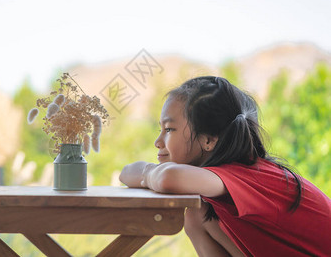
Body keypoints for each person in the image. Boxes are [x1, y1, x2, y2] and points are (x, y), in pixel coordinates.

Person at [119, 76, 331, 257]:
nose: (158, 141)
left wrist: (146, 172)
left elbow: (168, 179)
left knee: (198, 215)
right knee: (198, 216)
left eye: (169, 129)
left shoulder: (246, 175)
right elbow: (125, 174)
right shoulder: (223, 182)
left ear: (209, 140)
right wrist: (146, 174)